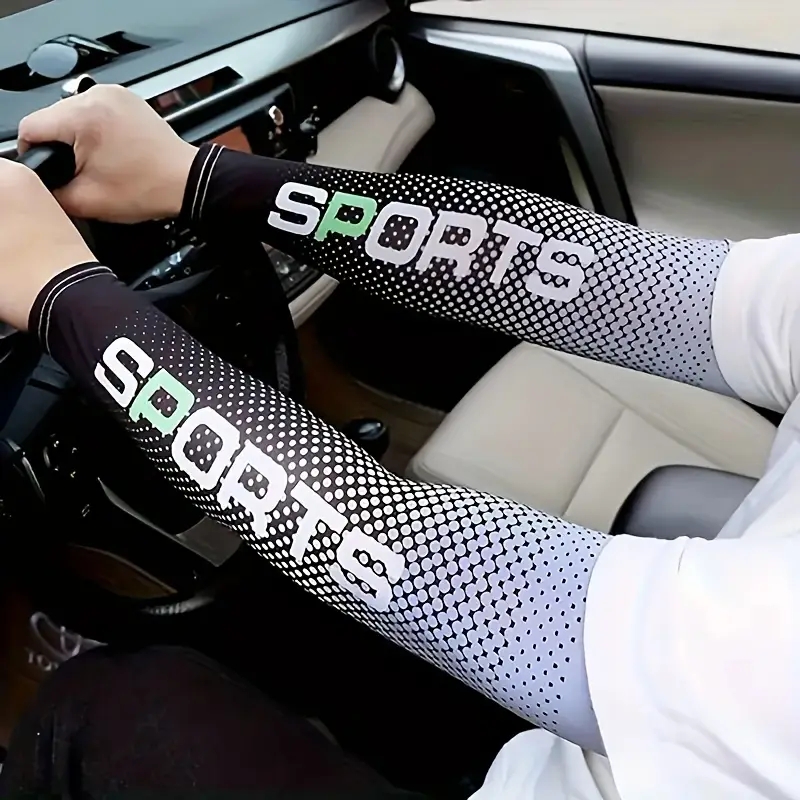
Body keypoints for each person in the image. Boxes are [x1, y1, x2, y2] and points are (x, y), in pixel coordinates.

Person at [0, 84, 797, 800]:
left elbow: (413, 558)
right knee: (310, 634)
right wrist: (195, 179)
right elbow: (605, 283)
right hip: (636, 705)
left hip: (618, 702)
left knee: (101, 706)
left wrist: (59, 290)